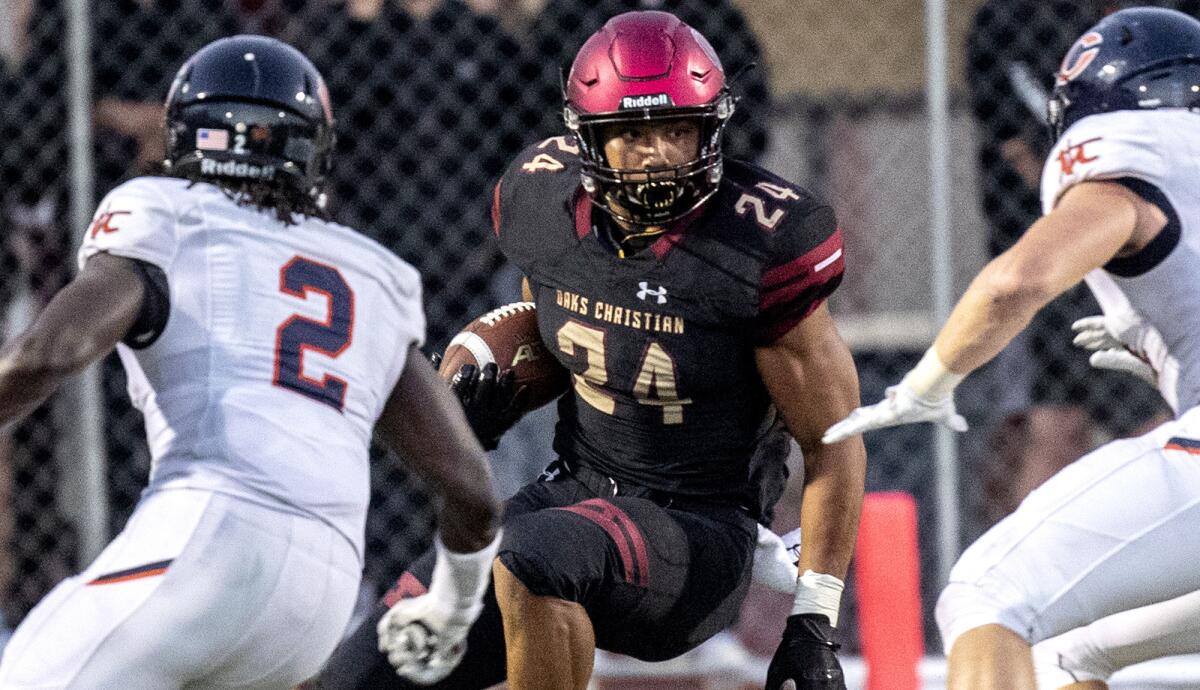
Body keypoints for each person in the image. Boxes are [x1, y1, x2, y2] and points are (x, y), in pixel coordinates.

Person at [313, 10, 866, 690]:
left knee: (531, 555)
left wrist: (813, 623)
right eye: (632, 134)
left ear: (713, 127)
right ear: (585, 140)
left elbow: (834, 442)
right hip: (573, 490)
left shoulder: (760, 243)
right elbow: (557, 337)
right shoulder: (541, 199)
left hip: (698, 530)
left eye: (677, 129)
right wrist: (478, 412)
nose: (659, 152)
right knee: (362, 674)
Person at [0, 35, 501, 689]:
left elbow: (51, 353)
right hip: (322, 594)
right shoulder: (371, 273)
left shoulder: (163, 211)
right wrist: (453, 605)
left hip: (211, 536)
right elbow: (472, 489)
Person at [823, 8, 1200, 689]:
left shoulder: (1129, 151)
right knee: (1069, 652)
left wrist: (930, 382)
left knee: (985, 594)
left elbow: (1016, 282)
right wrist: (1162, 357)